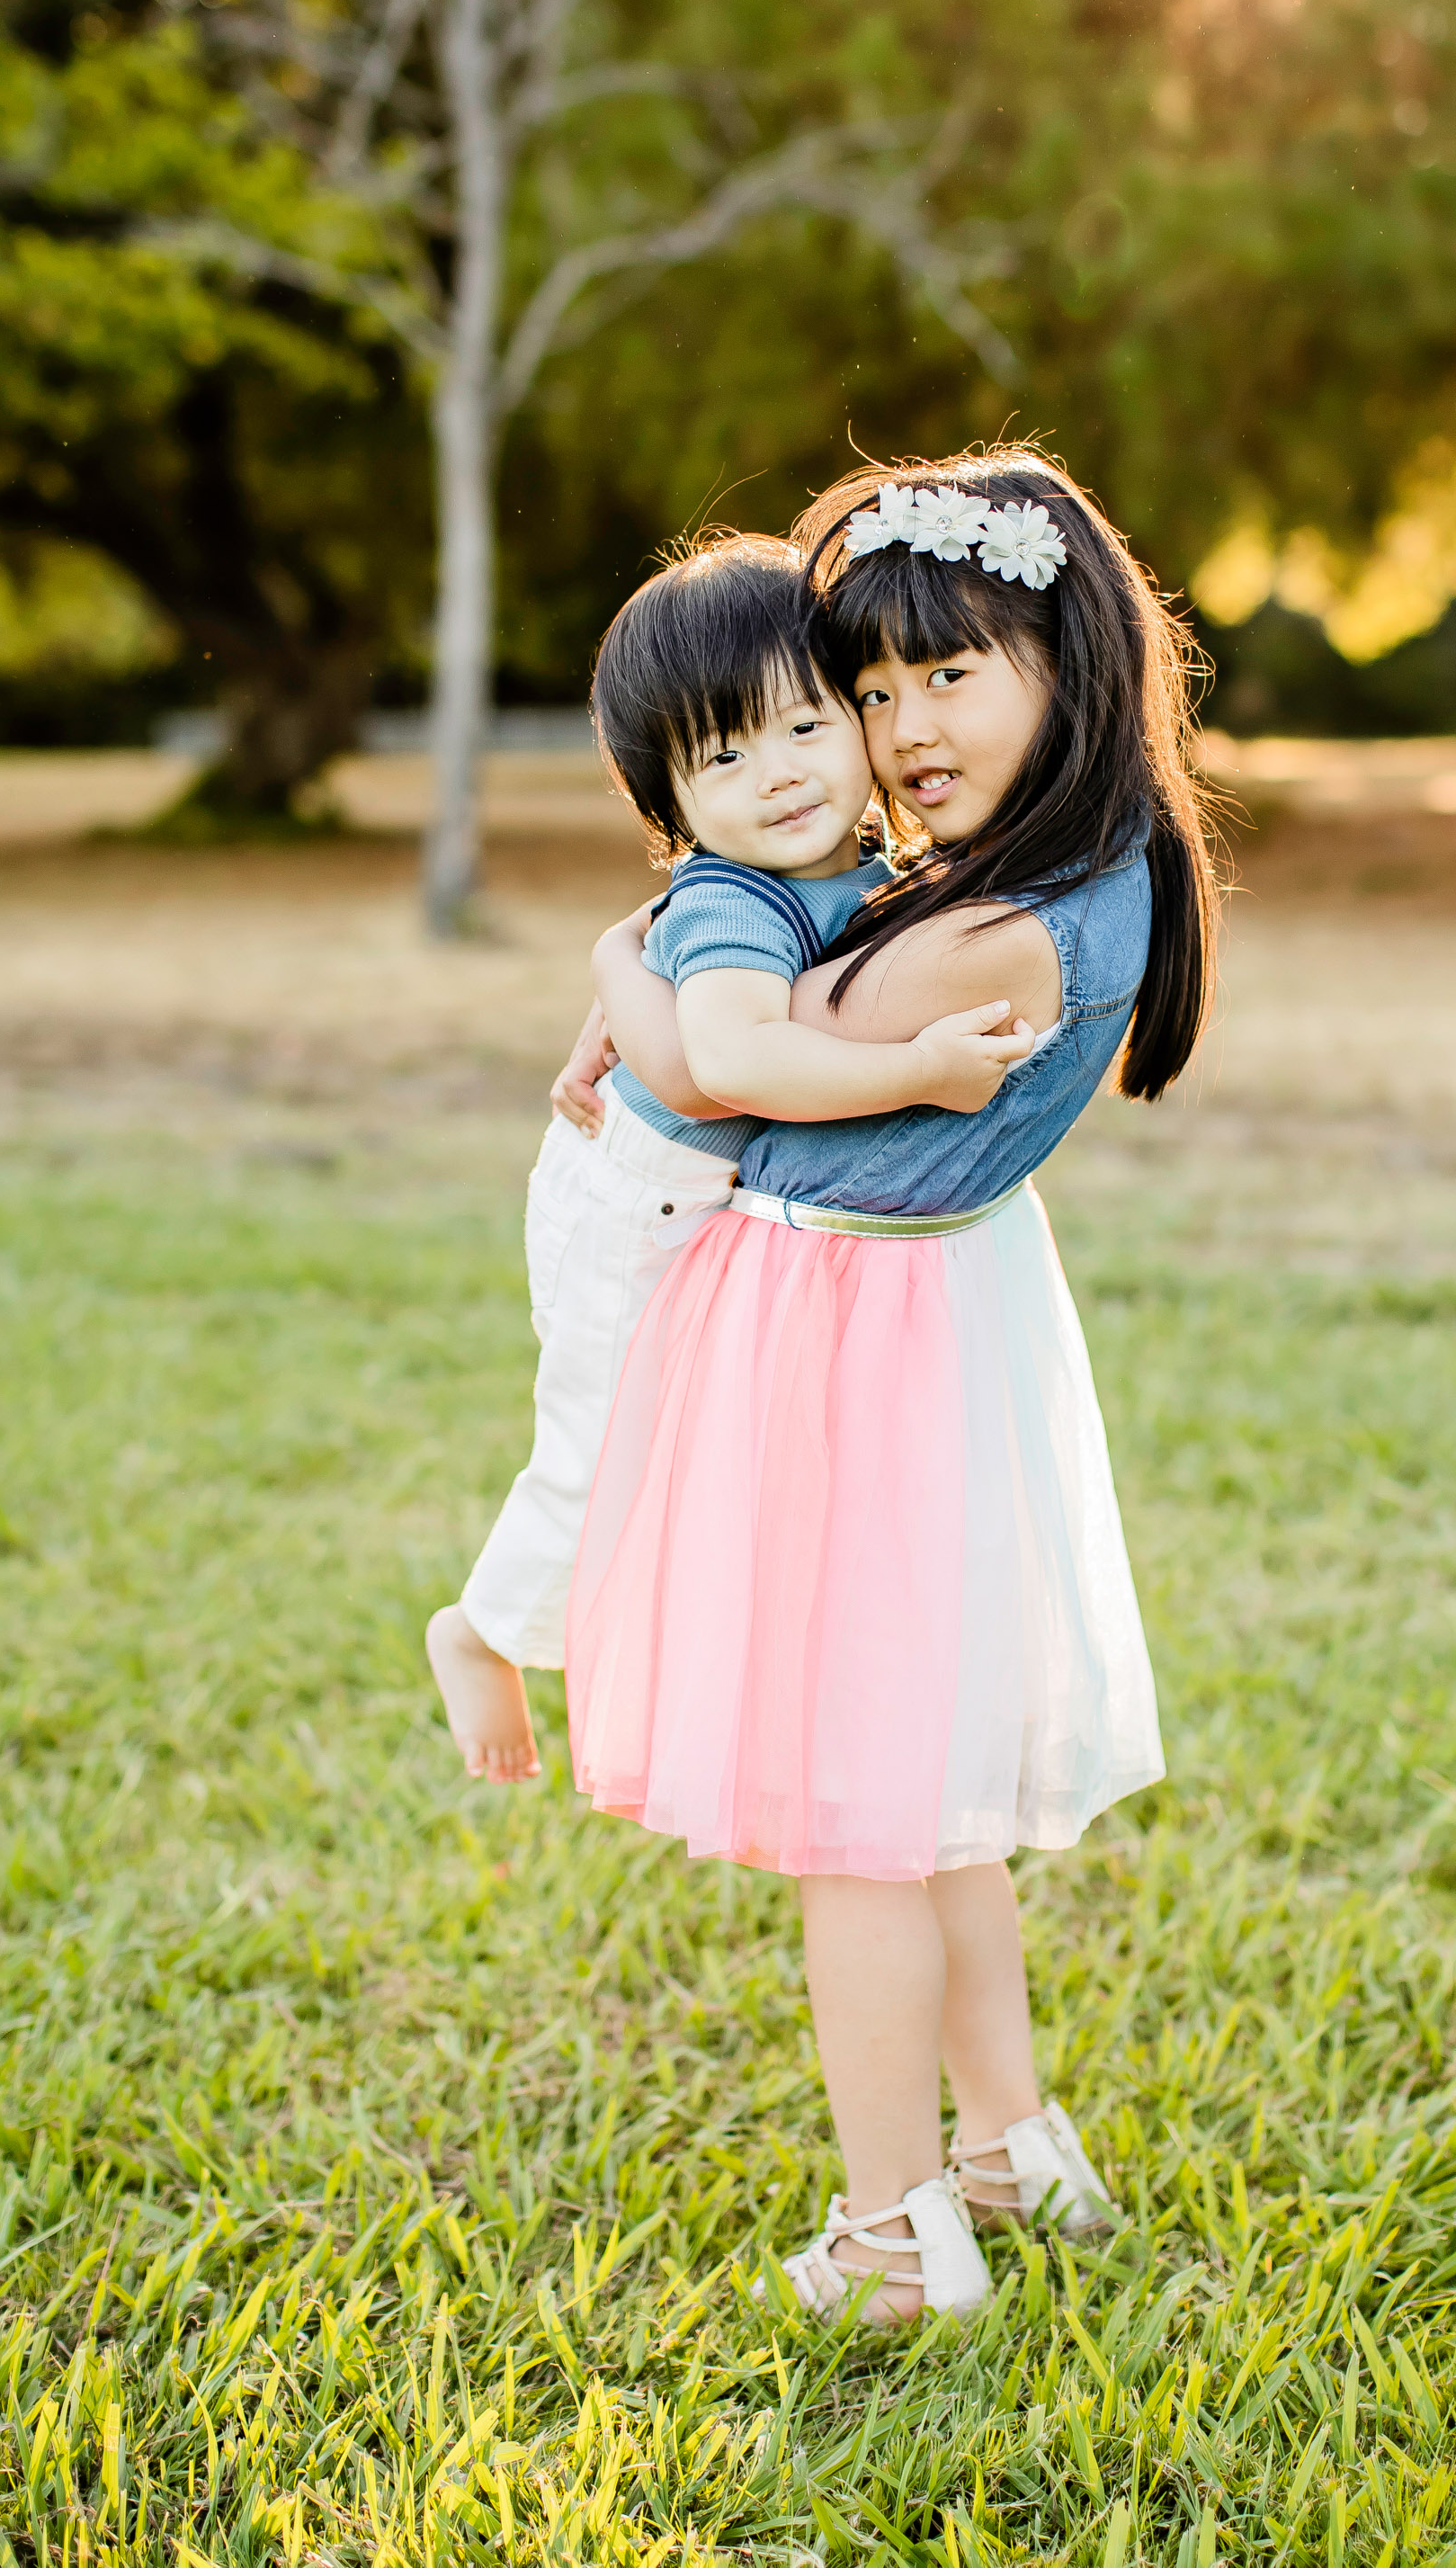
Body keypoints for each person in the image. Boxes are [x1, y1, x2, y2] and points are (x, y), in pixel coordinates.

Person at [566, 448, 1218, 2324]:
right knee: (923, 1802)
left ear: (1068, 661)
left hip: (849, 1349)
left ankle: (887, 2232)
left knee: (853, 1813)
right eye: (871, 687)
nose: (896, 724)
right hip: (902, 1329)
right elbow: (747, 1025)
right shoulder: (1053, 869)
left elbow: (718, 1064)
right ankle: (1006, 2145)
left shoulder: (999, 921)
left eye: (951, 674)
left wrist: (628, 957)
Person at [427, 532, 1034, 1785]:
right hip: (629, 1202)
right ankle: (481, 1631)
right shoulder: (728, 904)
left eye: (806, 726)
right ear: (672, 804)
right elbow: (733, 1066)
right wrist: (919, 1068)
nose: (778, 776)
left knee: (686, 1459)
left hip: (694, 1204)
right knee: (604, 1443)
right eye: (723, 755)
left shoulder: (859, 873)